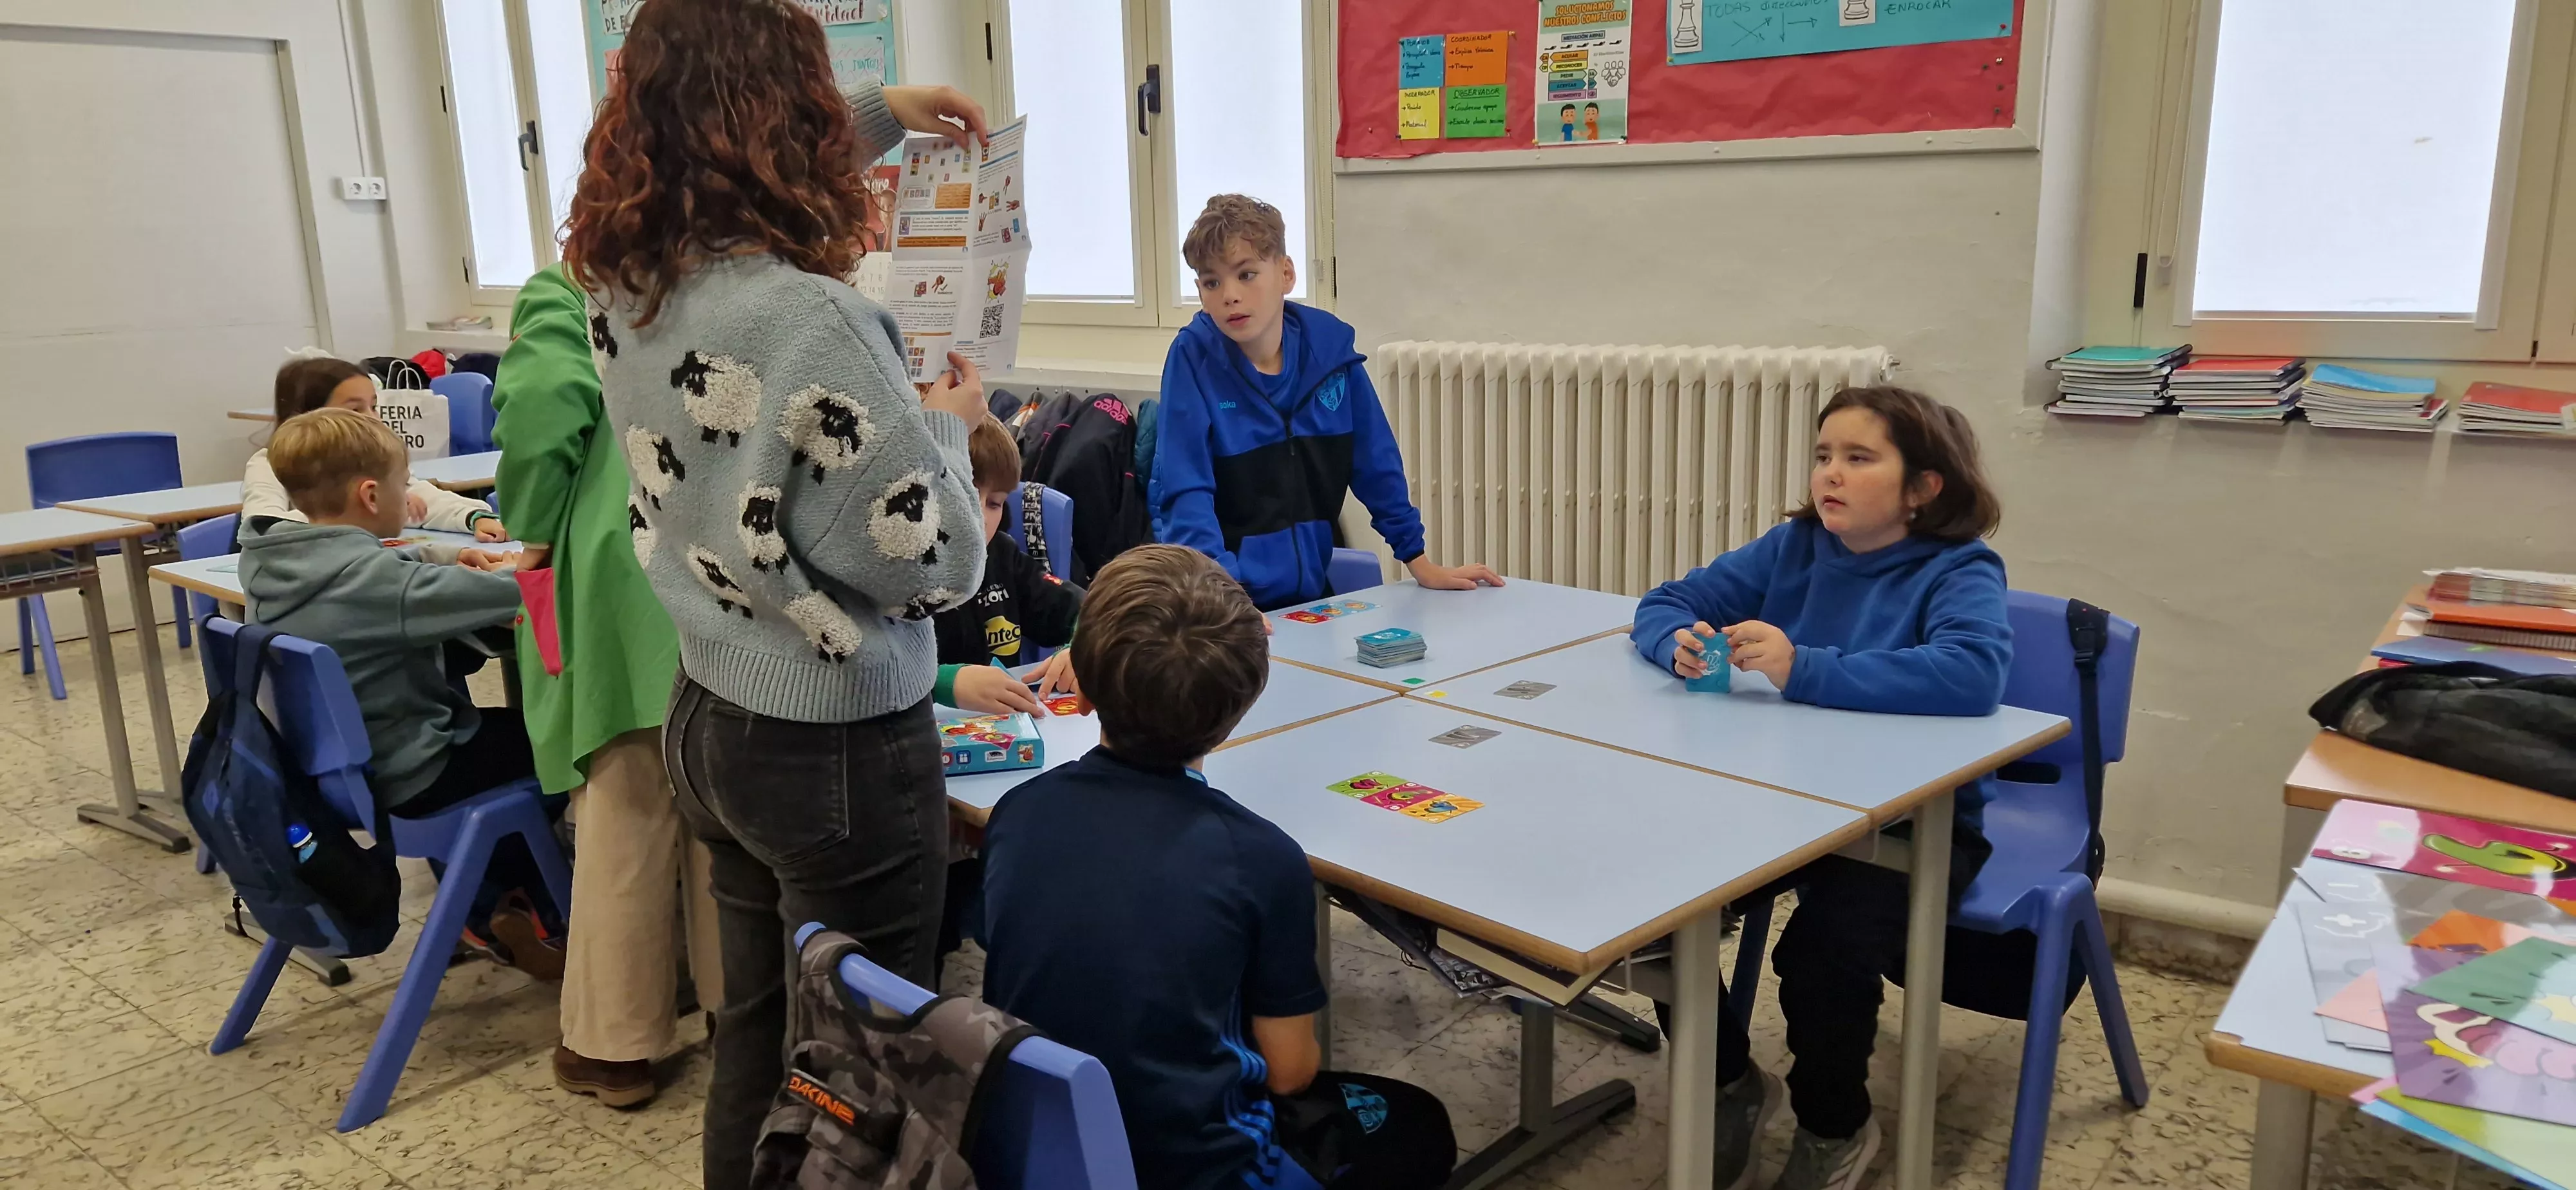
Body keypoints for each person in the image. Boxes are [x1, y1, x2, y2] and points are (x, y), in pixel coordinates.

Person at [560, 3, 994, 1185]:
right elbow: (936, 562)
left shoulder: (622, 277)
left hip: (711, 706)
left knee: (758, 1039)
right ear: (786, 116)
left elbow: (717, 184)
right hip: (833, 740)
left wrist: (884, 115)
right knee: (862, 1068)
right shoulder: (816, 317)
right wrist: (950, 431)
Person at [1627, 385, 2011, 1190]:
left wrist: (1804, 667)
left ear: (1922, 487)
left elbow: (1973, 674)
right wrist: (1677, 645)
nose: (1830, 473)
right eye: (1823, 455)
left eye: (1859, 458)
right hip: (1784, 805)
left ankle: (1835, 1127)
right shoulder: (1794, 545)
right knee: (1653, 908)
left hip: (1912, 826)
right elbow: (1668, 602)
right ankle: (1728, 1084)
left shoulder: (1958, 566)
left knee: (1820, 956)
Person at [980, 544, 1457, 1190]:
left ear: (1082, 691)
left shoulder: (1016, 812)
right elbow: (1290, 1073)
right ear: (1238, 711)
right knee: (1422, 1125)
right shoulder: (1262, 859)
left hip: (1036, 1146)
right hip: (1199, 1170)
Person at [491, 263, 723, 1110]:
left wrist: (529, 532)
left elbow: (544, 402)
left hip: (621, 571)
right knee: (720, 811)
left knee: (627, 807)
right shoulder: (731, 278)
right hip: (723, 564)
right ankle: (739, 1018)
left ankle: (613, 1048)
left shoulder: (573, 289)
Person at [235, 408, 564, 970]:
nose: (407, 499)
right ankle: (533, 910)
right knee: (564, 747)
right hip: (413, 772)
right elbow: (513, 592)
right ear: (370, 495)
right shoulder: (380, 584)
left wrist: (443, 554)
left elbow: (380, 564)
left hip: (330, 776)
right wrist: (542, 556)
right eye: (402, 485)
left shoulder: (271, 563)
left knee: (510, 739)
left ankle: (504, 901)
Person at [1151, 194, 1501, 610]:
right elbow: (1186, 493)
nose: (1230, 295)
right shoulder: (1193, 359)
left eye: (1247, 275)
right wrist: (1224, 602)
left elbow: (1375, 462)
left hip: (1309, 601)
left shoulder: (1331, 354)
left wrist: (1419, 561)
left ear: (1286, 274)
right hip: (1224, 604)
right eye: (1212, 283)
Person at [249, 356, 509, 540]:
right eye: (355, 409)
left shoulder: (373, 457)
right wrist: (367, 510)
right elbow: (265, 529)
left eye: (373, 406)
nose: (372, 418)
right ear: (310, 415)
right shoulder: (269, 464)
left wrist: (473, 517)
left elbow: (421, 497)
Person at [931, 417, 1082, 716]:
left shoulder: (1002, 557)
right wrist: (942, 683)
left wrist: (1083, 649)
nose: (979, 516)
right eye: (965, 494)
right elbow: (861, 673)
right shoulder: (891, 573)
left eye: (995, 504)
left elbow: (1092, 610)